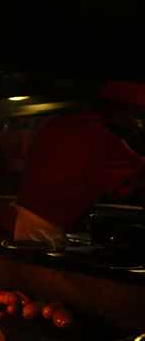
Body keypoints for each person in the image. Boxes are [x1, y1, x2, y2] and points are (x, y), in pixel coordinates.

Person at [10, 80, 145, 248]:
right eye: (138, 115)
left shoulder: (60, 123)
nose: (137, 122)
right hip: (42, 231)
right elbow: (136, 177)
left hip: (21, 221)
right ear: (123, 111)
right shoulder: (100, 137)